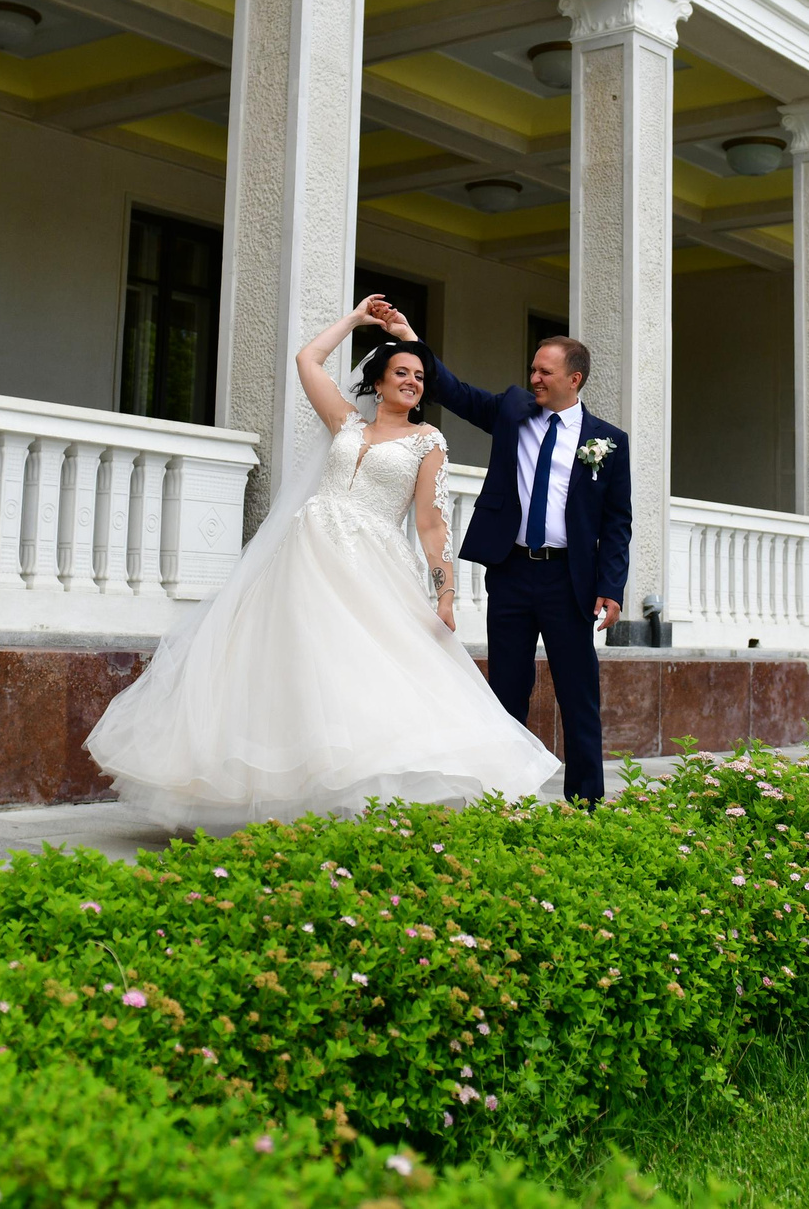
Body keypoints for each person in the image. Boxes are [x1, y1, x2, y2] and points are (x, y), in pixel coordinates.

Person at [84, 296, 559, 827]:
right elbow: (307, 359)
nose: (412, 382)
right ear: (377, 382)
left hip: (370, 566)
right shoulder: (346, 424)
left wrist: (444, 593)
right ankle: (281, 803)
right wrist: (356, 320)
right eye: (402, 372)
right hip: (303, 558)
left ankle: (362, 800)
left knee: (361, 672)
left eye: (420, 376)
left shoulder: (429, 441)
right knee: (284, 668)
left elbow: (431, 523)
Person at [373, 302, 631, 806]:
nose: (533, 377)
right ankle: (504, 800)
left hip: (569, 581)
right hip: (512, 572)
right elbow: (455, 391)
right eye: (532, 369)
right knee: (506, 692)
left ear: (574, 379)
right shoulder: (514, 410)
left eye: (544, 371)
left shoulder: (609, 442)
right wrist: (409, 337)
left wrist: (611, 587)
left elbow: (616, 522)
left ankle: (586, 807)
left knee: (578, 697)